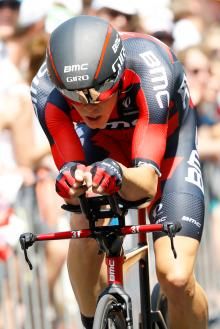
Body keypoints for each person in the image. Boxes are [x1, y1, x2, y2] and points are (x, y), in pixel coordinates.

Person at [31, 15, 208, 329]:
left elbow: (148, 186)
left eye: (99, 89)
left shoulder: (148, 66)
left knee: (176, 278)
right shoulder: (46, 90)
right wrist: (71, 183)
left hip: (166, 144)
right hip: (104, 145)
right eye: (75, 96)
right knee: (83, 213)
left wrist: (121, 175)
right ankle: (94, 321)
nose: (89, 106)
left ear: (117, 74)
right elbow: (72, 172)